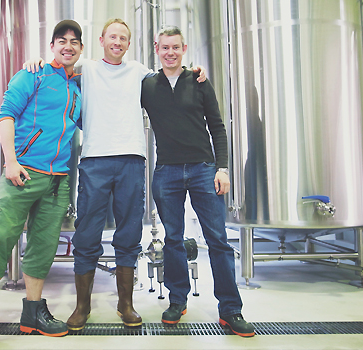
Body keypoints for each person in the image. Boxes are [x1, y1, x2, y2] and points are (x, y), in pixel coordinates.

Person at [25, 18, 205, 331]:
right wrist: (37, 61)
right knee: (87, 233)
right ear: (101, 40)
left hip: (132, 161)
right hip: (94, 161)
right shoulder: (87, 70)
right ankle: (82, 307)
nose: (117, 42)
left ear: (128, 43)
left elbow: (170, 77)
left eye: (123, 38)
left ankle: (126, 303)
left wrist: (194, 71)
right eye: (112, 37)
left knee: (129, 232)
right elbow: (58, 68)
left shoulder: (139, 73)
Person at [0, 20, 83, 350]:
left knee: (43, 246)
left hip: (58, 180)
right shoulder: (32, 74)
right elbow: (6, 114)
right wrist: (11, 161)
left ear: (81, 49)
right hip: (22, 173)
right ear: (52, 45)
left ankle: (33, 312)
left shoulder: (78, 87)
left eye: (74, 42)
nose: (68, 46)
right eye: (62, 41)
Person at [141, 26, 255, 337]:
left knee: (217, 239)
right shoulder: (147, 85)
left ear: (184, 48)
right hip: (166, 171)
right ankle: (178, 299)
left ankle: (230, 309)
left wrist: (223, 168)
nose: (170, 53)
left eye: (175, 47)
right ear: (157, 49)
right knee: (173, 239)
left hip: (204, 168)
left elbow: (217, 126)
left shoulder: (199, 81)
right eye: (165, 47)